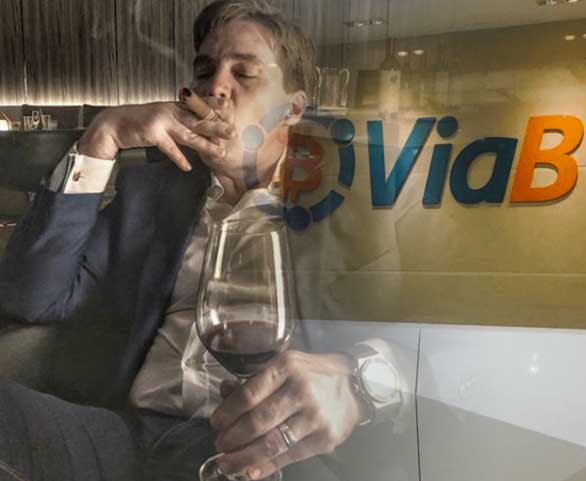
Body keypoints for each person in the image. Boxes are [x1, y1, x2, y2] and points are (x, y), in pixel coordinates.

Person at [0, 1, 412, 480]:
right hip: (127, 436)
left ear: (293, 109)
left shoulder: (362, 203)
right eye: (204, 72)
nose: (216, 87)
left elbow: (429, 337)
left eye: (245, 73)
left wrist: (359, 380)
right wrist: (102, 135)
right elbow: (31, 296)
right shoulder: (152, 195)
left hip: (269, 450)